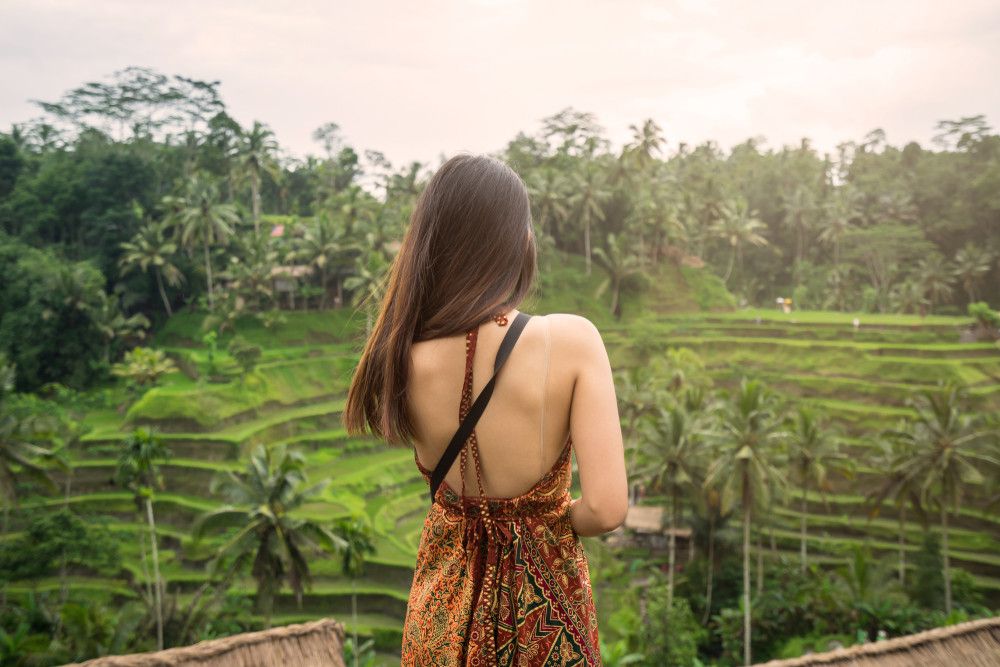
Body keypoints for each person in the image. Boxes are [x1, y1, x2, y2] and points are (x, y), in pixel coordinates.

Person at [344, 153, 628, 665]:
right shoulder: (571, 341)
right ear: (516, 242)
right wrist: (544, 520)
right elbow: (607, 509)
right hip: (543, 623)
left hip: (443, 617)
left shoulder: (398, 356)